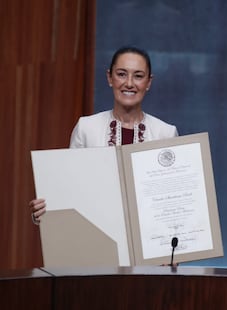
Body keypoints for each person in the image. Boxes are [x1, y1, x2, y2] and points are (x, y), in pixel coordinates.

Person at [29, 46, 178, 224]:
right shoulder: (86, 128)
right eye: (122, 74)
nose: (129, 83)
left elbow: (173, 201)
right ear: (110, 78)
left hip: (149, 238)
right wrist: (45, 212)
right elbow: (69, 188)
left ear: (148, 82)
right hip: (96, 235)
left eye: (138, 76)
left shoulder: (166, 133)